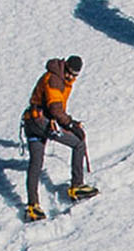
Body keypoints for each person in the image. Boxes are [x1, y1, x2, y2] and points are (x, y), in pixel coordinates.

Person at [20, 54, 95, 221]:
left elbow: (54, 109)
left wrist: (65, 121)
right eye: (70, 73)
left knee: (36, 163)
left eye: (75, 75)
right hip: (41, 122)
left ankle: (33, 206)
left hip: (31, 122)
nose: (71, 77)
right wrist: (71, 125)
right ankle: (77, 186)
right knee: (78, 143)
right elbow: (55, 108)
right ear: (65, 67)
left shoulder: (59, 77)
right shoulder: (55, 79)